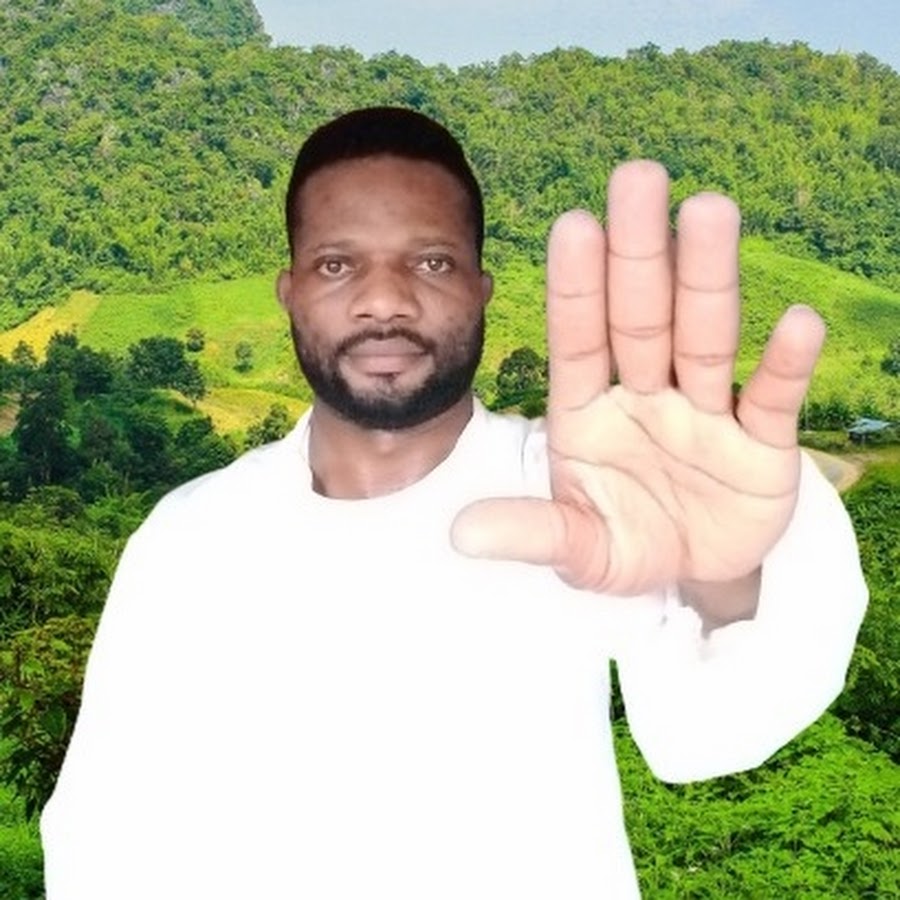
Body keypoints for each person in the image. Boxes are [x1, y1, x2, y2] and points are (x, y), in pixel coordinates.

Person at [41, 107, 867, 898]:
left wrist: (726, 576)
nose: (385, 301)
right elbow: (107, 835)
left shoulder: (583, 493)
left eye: (431, 262)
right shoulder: (191, 536)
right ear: (288, 289)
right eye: (337, 265)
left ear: (481, 288)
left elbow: (717, 727)